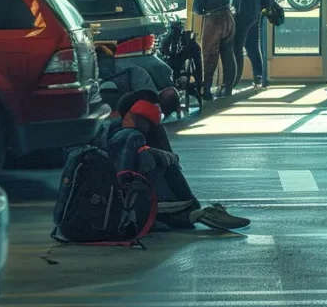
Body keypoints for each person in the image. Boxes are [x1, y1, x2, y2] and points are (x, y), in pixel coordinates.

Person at [101, 90, 250, 232]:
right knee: (151, 157)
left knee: (165, 160)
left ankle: (192, 210)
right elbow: (124, 174)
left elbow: (171, 161)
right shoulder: (124, 135)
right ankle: (192, 213)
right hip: (133, 201)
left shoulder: (154, 131)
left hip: (149, 203)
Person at [192, 0, 236, 100]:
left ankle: (207, 90)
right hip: (228, 19)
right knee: (228, 54)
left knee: (209, 56)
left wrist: (204, 10)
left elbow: (197, 8)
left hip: (213, 20)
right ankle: (227, 87)